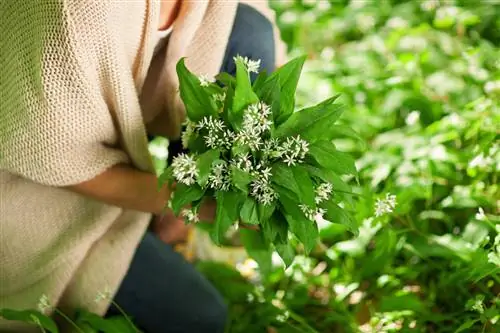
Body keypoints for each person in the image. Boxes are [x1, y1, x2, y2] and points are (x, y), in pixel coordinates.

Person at [0, 0, 285, 332]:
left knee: (249, 30)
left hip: (94, 108)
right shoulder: (77, 12)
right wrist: (193, 200)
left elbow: (253, 22)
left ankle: (169, 229)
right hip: (29, 183)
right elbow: (51, 155)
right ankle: (152, 219)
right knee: (200, 318)